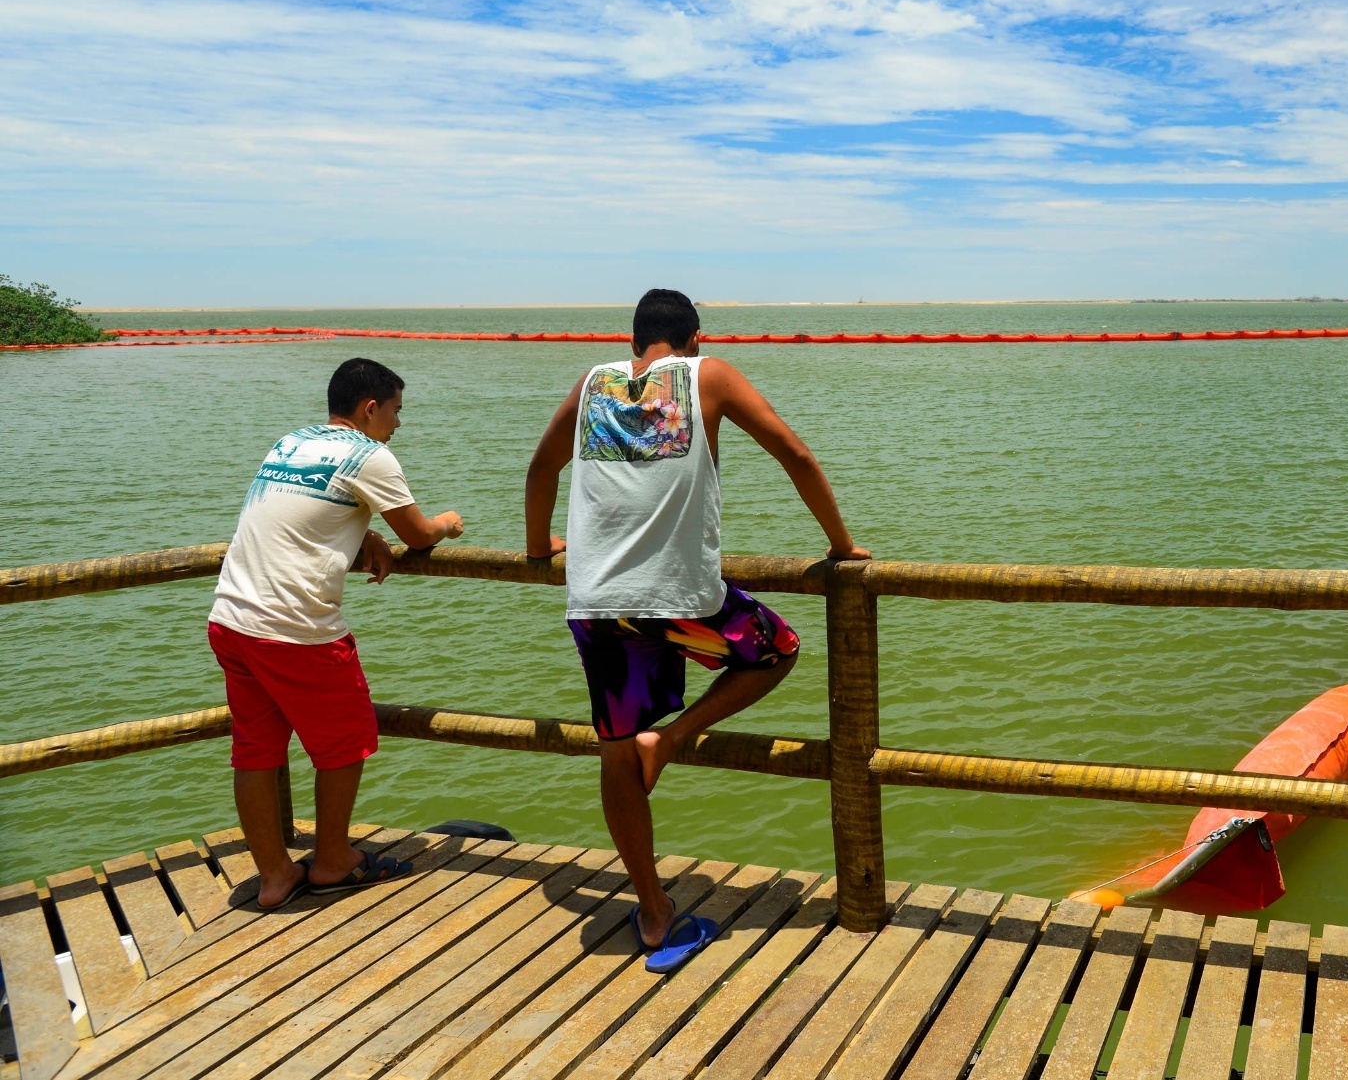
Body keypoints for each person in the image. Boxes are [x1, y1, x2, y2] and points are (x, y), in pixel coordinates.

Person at [524, 288, 867, 972]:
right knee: (777, 650)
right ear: (695, 338)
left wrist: (539, 551)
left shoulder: (593, 383)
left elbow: (540, 468)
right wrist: (842, 545)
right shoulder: (706, 374)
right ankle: (674, 735)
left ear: (633, 343)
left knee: (614, 751)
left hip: (598, 603)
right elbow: (794, 452)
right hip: (681, 599)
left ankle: (653, 910)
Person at [208, 357, 465, 908]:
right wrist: (447, 523)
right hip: (294, 629)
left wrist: (364, 531)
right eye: (396, 411)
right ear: (370, 408)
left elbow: (306, 512)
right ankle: (331, 861)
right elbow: (418, 535)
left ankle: (275, 875)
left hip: (231, 617)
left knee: (255, 751)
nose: (398, 424)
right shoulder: (371, 455)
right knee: (345, 744)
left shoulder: (292, 442)